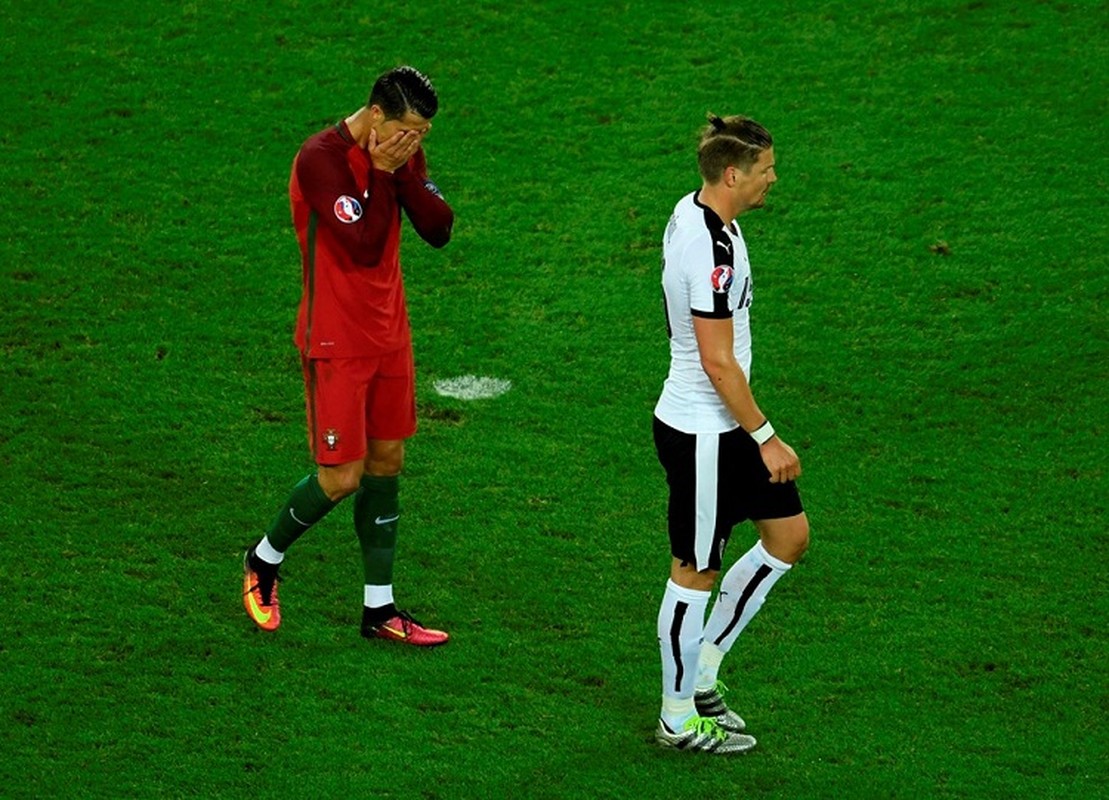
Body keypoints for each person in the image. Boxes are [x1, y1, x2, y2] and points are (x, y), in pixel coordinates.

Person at [242, 66, 454, 646]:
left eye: (424, 135)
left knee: (387, 464)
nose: (417, 142)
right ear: (378, 115)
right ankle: (263, 560)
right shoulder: (321, 161)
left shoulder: (399, 154)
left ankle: (378, 609)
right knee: (341, 476)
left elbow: (439, 229)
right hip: (336, 338)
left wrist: (401, 173)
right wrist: (385, 173)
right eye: (411, 130)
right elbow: (361, 246)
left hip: (390, 334)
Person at [652, 114, 810, 752]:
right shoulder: (711, 251)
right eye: (766, 168)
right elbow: (717, 361)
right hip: (705, 433)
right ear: (733, 173)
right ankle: (676, 715)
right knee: (694, 571)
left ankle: (706, 670)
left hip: (725, 425)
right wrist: (766, 436)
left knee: (788, 537)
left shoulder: (699, 214)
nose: (774, 177)